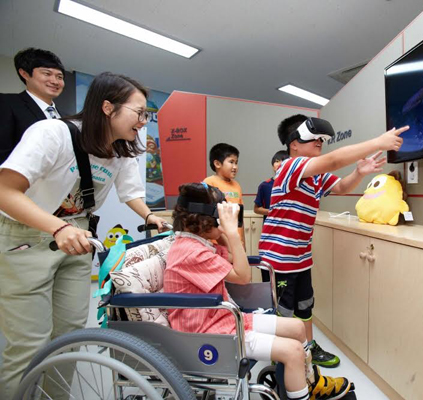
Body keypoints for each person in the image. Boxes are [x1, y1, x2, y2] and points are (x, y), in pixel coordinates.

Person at [0, 71, 168, 398]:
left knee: (69, 338)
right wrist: (57, 227)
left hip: (77, 239)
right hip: (27, 236)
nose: (143, 121)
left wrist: (150, 217)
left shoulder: (120, 149)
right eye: (139, 112)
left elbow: (130, 192)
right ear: (108, 107)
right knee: (29, 345)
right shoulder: (52, 134)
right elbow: (5, 191)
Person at [164, 182, 352, 400]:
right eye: (219, 216)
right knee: (293, 351)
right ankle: (302, 389)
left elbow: (234, 257)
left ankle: (308, 381)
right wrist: (231, 232)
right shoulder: (192, 253)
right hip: (209, 333)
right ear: (203, 221)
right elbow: (243, 276)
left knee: (297, 327)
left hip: (222, 319)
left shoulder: (197, 245)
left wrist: (223, 231)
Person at [259, 114, 408, 368]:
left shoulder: (317, 176)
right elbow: (334, 160)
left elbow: (341, 187)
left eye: (321, 138)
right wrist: (378, 142)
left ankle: (308, 348)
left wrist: (358, 173)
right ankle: (283, 360)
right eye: (312, 137)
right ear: (294, 144)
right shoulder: (289, 167)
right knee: (282, 313)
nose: (319, 141)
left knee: (305, 306)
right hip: (279, 260)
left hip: (301, 258)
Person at [0, 47, 66, 164]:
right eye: (47, 74)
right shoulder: (6, 103)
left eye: (59, 77)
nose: (55, 81)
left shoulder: (67, 117)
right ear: (25, 74)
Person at [203, 142, 245, 246]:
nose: (235, 167)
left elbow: (240, 217)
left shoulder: (237, 185)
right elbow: (204, 216)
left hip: (235, 241)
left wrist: (242, 242)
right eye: (231, 162)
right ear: (217, 164)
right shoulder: (209, 183)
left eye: (236, 163)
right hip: (216, 243)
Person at [254, 150, 289, 220]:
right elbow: (256, 209)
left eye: (283, 161)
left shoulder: (293, 185)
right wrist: (272, 212)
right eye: (277, 161)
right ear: (273, 166)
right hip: (270, 225)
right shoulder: (264, 186)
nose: (280, 164)